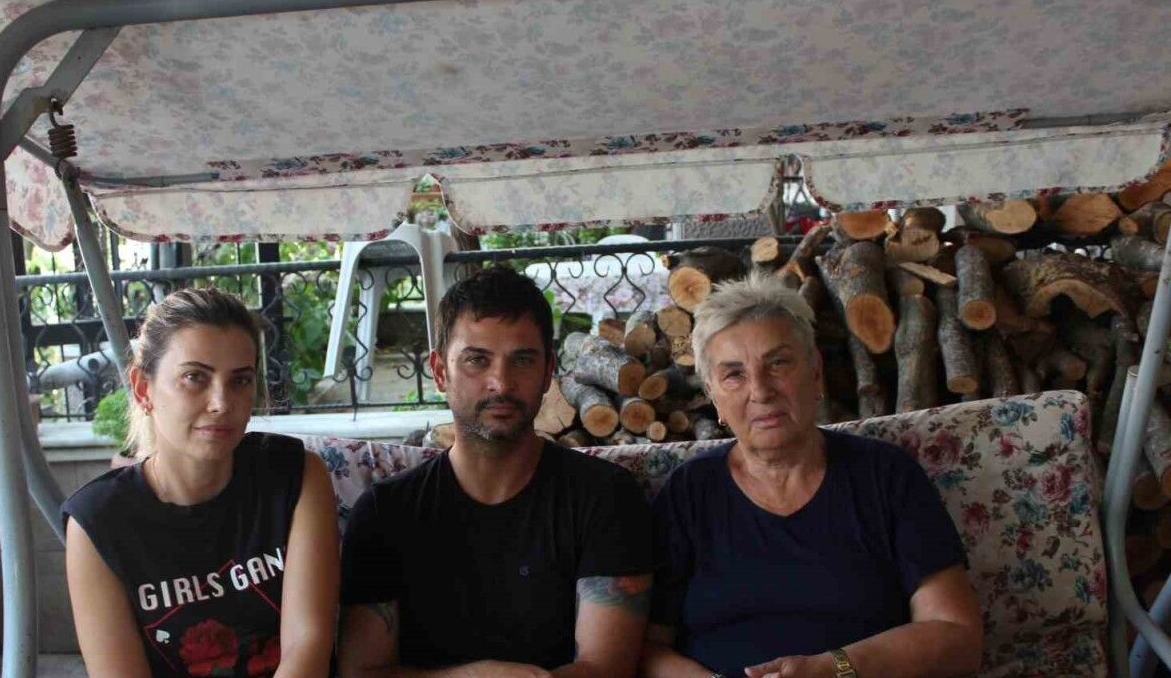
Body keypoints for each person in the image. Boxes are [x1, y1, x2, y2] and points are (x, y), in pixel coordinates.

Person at [641, 272, 982, 678]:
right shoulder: (688, 494)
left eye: (778, 363)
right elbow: (646, 649)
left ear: (815, 370)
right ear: (714, 396)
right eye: (734, 374)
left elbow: (957, 636)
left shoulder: (886, 476)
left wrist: (833, 669)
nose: (760, 391)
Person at [339, 265, 654, 678]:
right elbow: (361, 672)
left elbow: (605, 669)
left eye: (521, 360)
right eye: (477, 360)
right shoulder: (386, 513)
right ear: (439, 371)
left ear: (548, 372)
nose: (500, 384)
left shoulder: (605, 498)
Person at [63, 288, 339, 678]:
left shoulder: (295, 476)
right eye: (195, 377)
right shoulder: (98, 522)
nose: (221, 403)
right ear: (143, 388)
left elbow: (307, 646)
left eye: (240, 380)